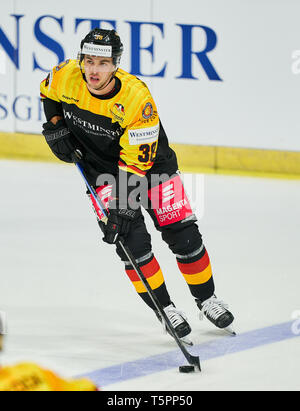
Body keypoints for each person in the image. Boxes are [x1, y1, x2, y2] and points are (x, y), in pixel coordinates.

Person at [40, 28, 235, 345]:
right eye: (88, 61)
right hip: (100, 169)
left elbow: (136, 164)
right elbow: (48, 94)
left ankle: (207, 300)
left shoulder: (136, 98)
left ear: (115, 64)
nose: (93, 70)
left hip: (150, 165)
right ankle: (166, 309)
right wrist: (56, 126)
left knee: (182, 233)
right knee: (131, 243)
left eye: (102, 63)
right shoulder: (65, 75)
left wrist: (122, 208)